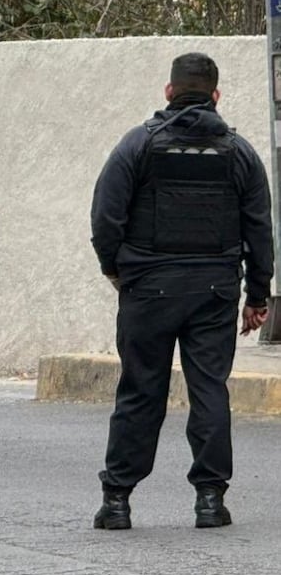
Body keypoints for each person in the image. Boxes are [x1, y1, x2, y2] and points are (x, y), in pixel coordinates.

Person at [90, 52, 273, 531]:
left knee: (140, 390)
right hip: (214, 290)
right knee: (209, 389)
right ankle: (210, 500)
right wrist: (257, 296)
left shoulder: (138, 145)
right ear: (216, 96)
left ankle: (117, 502)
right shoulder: (240, 153)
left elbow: (105, 215)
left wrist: (116, 269)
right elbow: (260, 229)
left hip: (147, 288)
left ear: (168, 92)